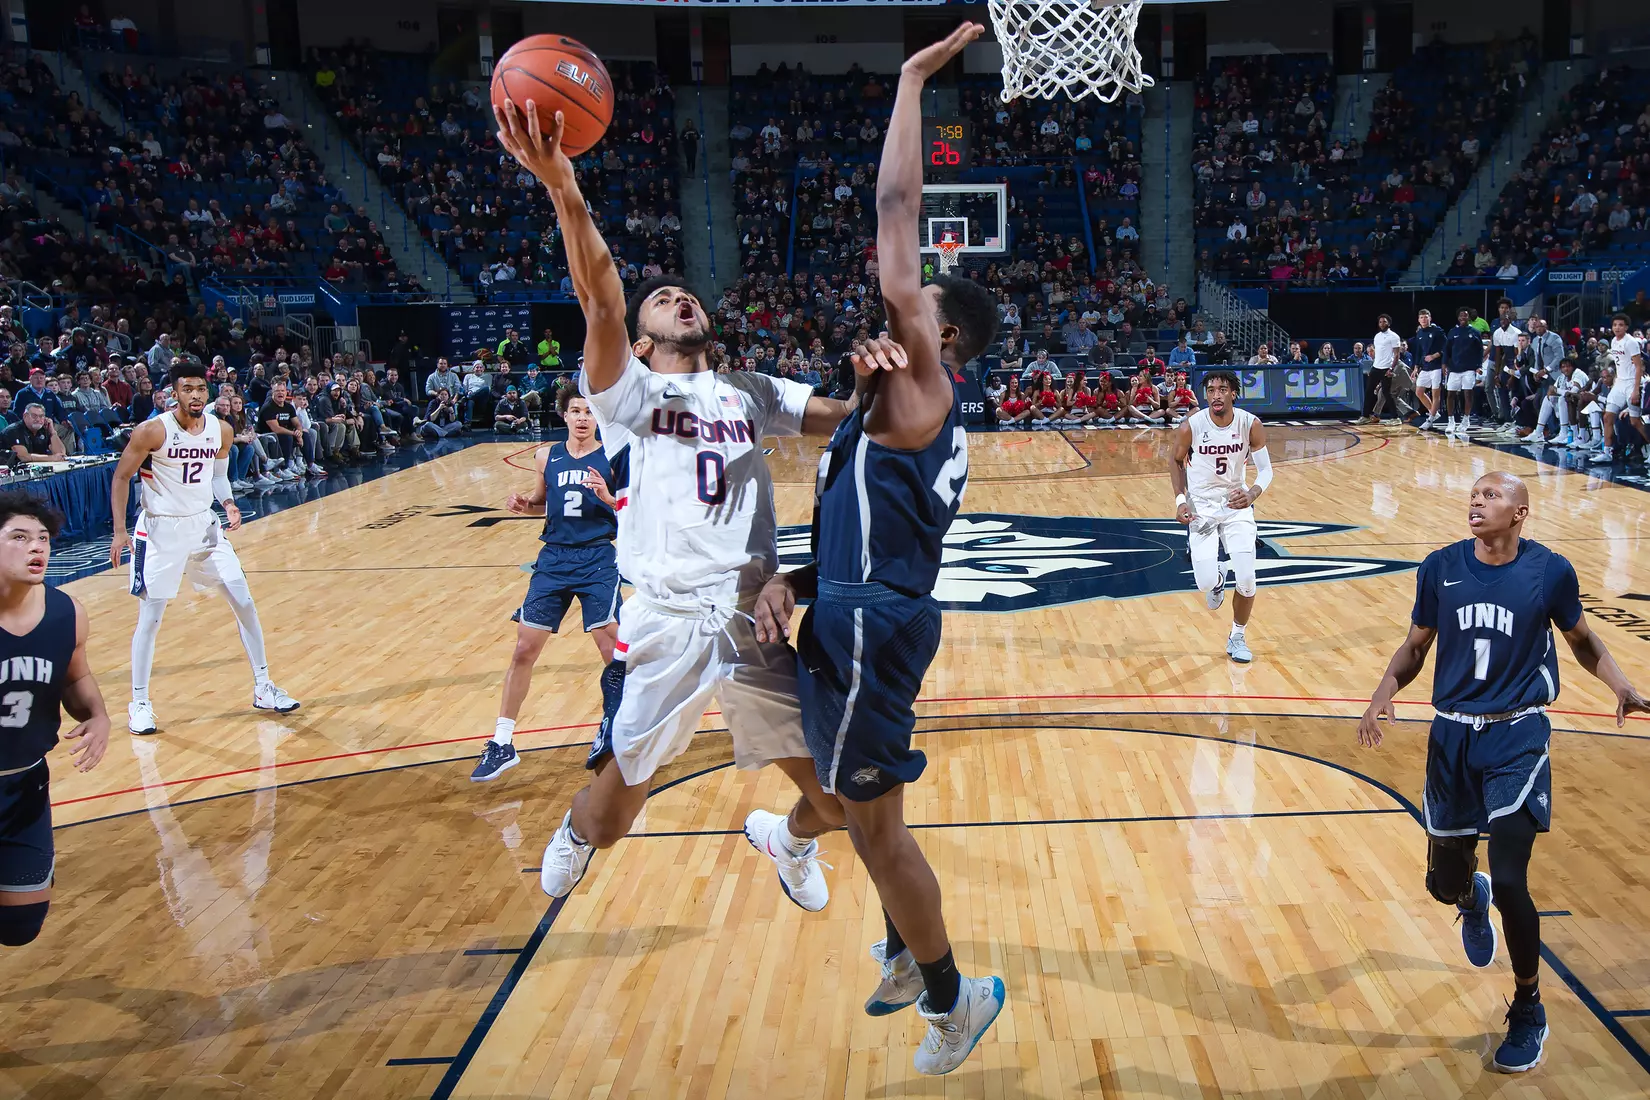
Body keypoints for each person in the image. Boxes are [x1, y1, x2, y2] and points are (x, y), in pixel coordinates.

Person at [493, 92, 880, 919]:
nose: (679, 298)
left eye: (686, 294)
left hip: (753, 616)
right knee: (607, 824)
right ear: (638, 344)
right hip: (667, 619)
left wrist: (884, 382)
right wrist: (565, 189)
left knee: (843, 801)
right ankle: (574, 826)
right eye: (662, 298)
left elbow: (845, 420)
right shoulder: (627, 392)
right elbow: (599, 295)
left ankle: (792, 838)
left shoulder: (748, 388)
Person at [752, 24, 1005, 1077]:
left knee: (878, 826)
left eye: (921, 304)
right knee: (853, 807)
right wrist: (793, 575)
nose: (902, 301)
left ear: (947, 342)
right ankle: (899, 942)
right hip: (852, 602)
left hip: (873, 626)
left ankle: (953, 999)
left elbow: (897, 211)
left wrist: (912, 83)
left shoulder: (925, 390)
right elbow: (868, 534)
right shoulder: (876, 410)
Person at [1359, 472, 1648, 1073]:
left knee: (1513, 877)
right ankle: (1470, 896)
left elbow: (1582, 639)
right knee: (1443, 883)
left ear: (1520, 513)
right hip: (1451, 736)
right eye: (1473, 494)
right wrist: (1383, 690)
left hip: (1519, 733)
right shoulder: (1439, 567)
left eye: (1492, 496)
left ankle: (1528, 1005)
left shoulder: (1550, 572)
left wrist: (1622, 685)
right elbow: (1416, 646)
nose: (1476, 501)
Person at [109, 362, 300, 734]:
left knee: (243, 600)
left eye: (200, 388)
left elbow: (217, 475)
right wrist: (119, 531)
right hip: (160, 531)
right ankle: (140, 702)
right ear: (173, 393)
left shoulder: (221, 430)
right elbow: (121, 476)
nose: (195, 395)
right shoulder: (152, 431)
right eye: (187, 389)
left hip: (203, 527)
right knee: (151, 617)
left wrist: (227, 503)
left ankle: (263, 687)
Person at [471, 390, 628, 781]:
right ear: (564, 415)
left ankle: (622, 730)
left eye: (589, 412)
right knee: (524, 648)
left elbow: (632, 508)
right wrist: (527, 504)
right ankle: (503, 741)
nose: (582, 418)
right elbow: (544, 501)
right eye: (575, 411)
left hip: (597, 557)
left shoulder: (613, 455)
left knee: (613, 649)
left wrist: (608, 497)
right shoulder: (547, 456)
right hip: (554, 559)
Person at [0, 492, 111, 950]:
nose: (36, 548)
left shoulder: (68, 612)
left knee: (21, 928)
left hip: (24, 789)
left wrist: (98, 715)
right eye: (19, 537)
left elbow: (75, 674)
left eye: (42, 538)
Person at [1170, 368, 1273, 663]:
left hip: (1236, 506)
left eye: (1222, 389)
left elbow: (1265, 470)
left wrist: (1251, 494)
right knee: (1203, 583)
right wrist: (1180, 500)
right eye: (1211, 390)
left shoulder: (1250, 424)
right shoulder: (1192, 425)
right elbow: (1176, 462)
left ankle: (1237, 636)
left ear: (1233, 393)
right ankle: (1217, 579)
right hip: (1201, 507)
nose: (1216, 395)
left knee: (1248, 578)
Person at [1586, 313, 1646, 465]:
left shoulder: (1631, 342)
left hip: (1632, 382)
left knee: (1635, 421)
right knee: (1607, 417)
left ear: (1626, 327)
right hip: (1620, 383)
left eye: (1620, 325)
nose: (1617, 327)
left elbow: (1638, 366)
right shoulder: (1613, 341)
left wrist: (1636, 390)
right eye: (1614, 325)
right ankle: (1607, 452)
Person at [1445, 309, 1484, 437]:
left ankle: (1466, 420)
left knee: (1467, 393)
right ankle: (1451, 421)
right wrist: (1444, 364)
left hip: (1469, 369)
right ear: (1458, 318)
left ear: (1469, 318)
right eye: (1461, 315)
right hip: (1454, 368)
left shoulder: (1475, 332)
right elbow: (1447, 350)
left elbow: (1480, 351)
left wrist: (1478, 366)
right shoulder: (1452, 332)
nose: (1463, 317)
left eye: (1465, 316)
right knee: (1450, 394)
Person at [1411, 309, 1447, 429]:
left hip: (1436, 366)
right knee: (1419, 392)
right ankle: (1434, 412)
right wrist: (1416, 367)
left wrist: (1434, 356)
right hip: (1425, 367)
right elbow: (1419, 351)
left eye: (1426, 317)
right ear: (1418, 320)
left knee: (1435, 394)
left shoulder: (1438, 331)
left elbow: (1446, 348)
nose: (1424, 320)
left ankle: (1430, 419)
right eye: (1421, 318)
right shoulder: (1420, 333)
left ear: (1430, 318)